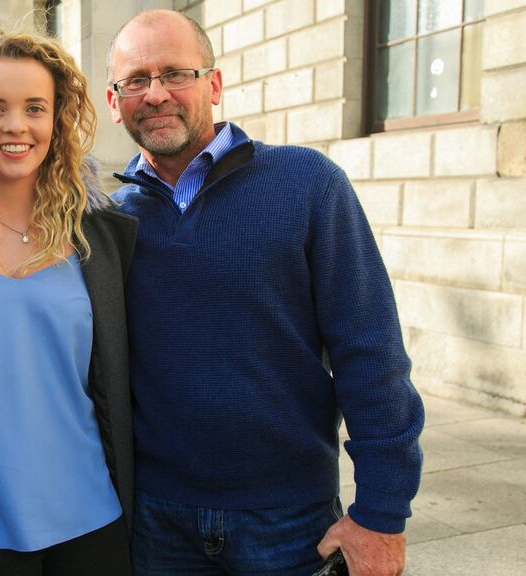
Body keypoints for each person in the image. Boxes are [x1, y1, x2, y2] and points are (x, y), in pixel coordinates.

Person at [105, 10, 424, 576]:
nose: (155, 94)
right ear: (114, 101)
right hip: (157, 523)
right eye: (135, 80)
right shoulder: (110, 220)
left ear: (215, 84)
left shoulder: (308, 184)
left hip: (290, 522)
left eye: (175, 73)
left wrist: (381, 513)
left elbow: (370, 355)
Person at [0, 30, 138, 576]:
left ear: (55, 119)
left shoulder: (100, 237)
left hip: (93, 518)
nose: (17, 125)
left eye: (34, 108)